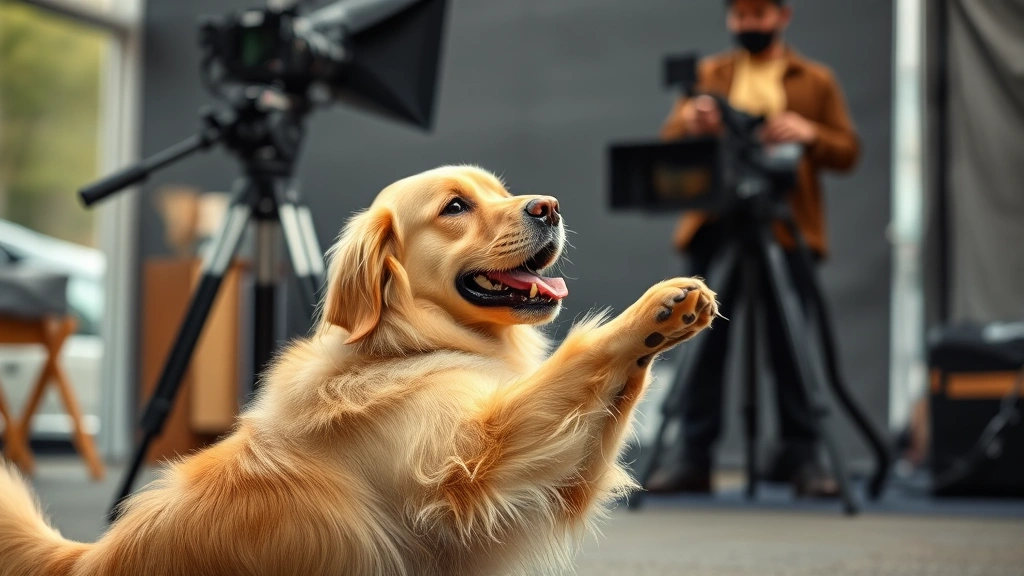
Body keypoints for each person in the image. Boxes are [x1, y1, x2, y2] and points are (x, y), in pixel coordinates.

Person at [647, 0, 860, 498]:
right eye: (741, 16)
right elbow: (670, 138)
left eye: (759, 15)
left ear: (783, 16)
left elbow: (847, 150)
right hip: (716, 221)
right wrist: (693, 125)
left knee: (792, 345)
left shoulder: (815, 80)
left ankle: (803, 456)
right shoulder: (710, 75)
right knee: (700, 339)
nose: (750, 25)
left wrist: (810, 133)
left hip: (785, 229)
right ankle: (692, 455)